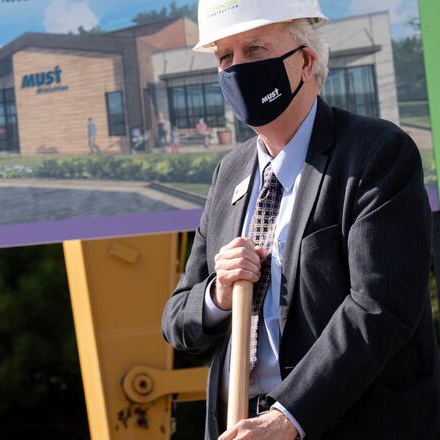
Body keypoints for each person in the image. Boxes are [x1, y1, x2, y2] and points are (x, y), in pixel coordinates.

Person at [161, 2, 440, 439]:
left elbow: (380, 307)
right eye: (224, 57)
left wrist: (286, 419)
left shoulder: (377, 154)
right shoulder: (228, 175)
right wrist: (218, 293)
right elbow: (177, 320)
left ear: (306, 61)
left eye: (254, 49)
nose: (236, 69)